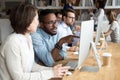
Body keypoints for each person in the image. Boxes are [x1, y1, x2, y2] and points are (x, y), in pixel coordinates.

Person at [0, 3, 70, 80]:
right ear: (27, 21)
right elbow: (18, 77)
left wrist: (52, 70)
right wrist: (51, 73)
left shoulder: (27, 37)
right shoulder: (12, 42)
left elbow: (31, 65)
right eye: (36, 19)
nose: (38, 23)